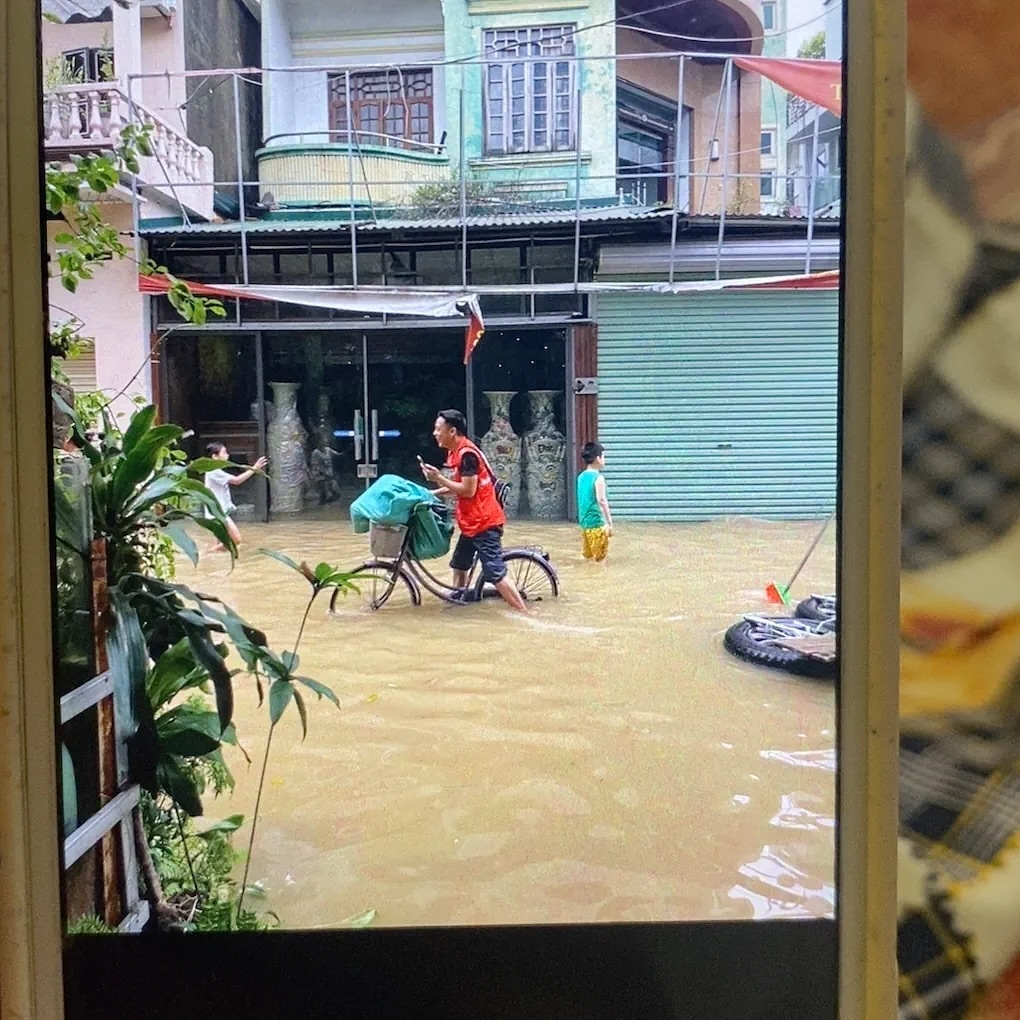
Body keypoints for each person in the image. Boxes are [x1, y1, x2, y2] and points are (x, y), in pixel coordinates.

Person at [419, 409, 527, 612]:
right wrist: (432, 492)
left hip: (484, 523)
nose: (435, 433)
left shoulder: (467, 455)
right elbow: (459, 484)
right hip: (471, 523)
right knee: (459, 565)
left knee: (496, 574)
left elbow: (468, 490)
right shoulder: (458, 451)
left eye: (438, 429)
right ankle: (459, 605)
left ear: (452, 431)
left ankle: (526, 614)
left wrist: (439, 479)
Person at [203, 442, 267, 552]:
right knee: (236, 540)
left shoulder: (213, 470)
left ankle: (214, 561)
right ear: (214, 456)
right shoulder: (213, 471)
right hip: (218, 514)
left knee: (222, 543)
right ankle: (205, 554)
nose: (227, 455)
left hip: (217, 512)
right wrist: (254, 468)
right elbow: (236, 481)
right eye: (224, 453)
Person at [577, 441, 613, 563]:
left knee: (586, 558)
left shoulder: (581, 476)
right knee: (600, 562)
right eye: (603, 456)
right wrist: (609, 523)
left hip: (585, 524)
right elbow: (601, 501)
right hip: (597, 524)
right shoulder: (599, 478)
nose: (604, 459)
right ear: (598, 458)